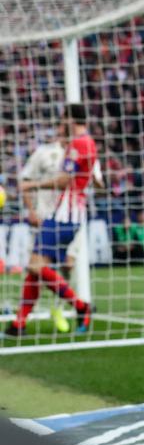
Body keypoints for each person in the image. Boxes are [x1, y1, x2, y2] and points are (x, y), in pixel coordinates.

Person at [8, 104, 96, 338]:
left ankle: (81, 306)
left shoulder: (79, 144)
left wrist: (32, 185)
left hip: (65, 215)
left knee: (37, 267)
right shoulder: (85, 143)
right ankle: (18, 324)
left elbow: (66, 180)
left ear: (70, 120)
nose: (61, 124)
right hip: (63, 214)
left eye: (64, 119)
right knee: (35, 269)